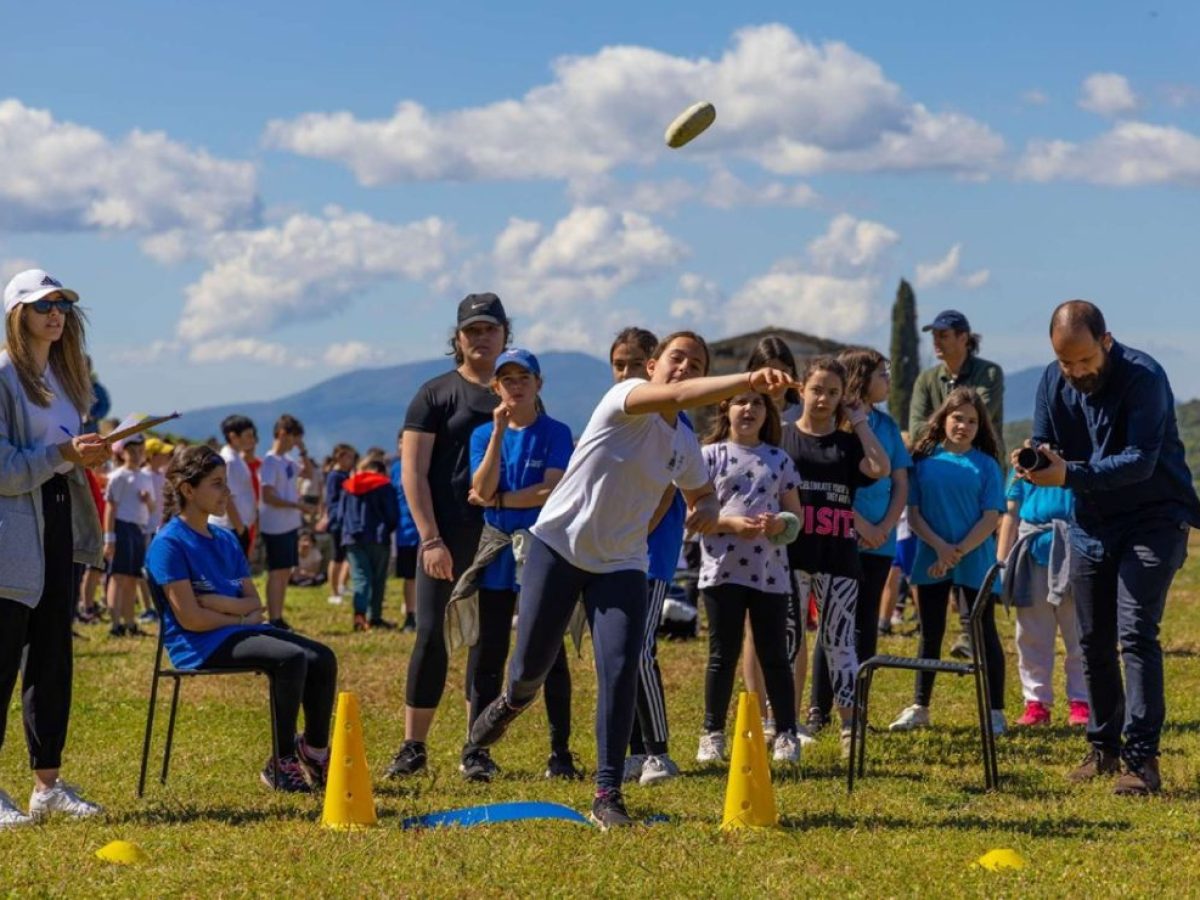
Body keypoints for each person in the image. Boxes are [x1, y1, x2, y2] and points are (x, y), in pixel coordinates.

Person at [468, 331, 794, 829]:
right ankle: (509, 703)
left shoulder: (684, 442)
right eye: (677, 358)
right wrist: (750, 377)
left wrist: (707, 509)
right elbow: (682, 397)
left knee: (620, 669)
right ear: (652, 365)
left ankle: (607, 793)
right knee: (529, 672)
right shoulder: (623, 399)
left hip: (622, 564)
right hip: (557, 548)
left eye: (696, 362)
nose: (686, 367)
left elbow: (700, 492)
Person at [1021, 300, 1200, 795]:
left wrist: (1069, 474)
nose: (1076, 372)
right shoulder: (1052, 381)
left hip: (1154, 518)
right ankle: (1103, 748)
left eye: (1084, 361)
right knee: (1091, 638)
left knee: (1136, 633)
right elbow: (1045, 438)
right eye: (1065, 363)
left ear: (1106, 340)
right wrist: (1037, 460)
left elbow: (1140, 461)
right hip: (1090, 523)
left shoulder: (1144, 376)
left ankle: (1142, 762)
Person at [146, 445, 338, 792]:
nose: (227, 493)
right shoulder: (169, 544)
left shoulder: (224, 538)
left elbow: (255, 601)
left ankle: (313, 751)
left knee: (322, 657)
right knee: (291, 658)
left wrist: (219, 603)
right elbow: (191, 619)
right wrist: (239, 618)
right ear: (189, 490)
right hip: (199, 645)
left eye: (226, 483)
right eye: (217, 484)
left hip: (234, 629)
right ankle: (281, 763)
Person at [0, 268, 109, 827]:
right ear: (18, 313)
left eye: (63, 303)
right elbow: (3, 470)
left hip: (58, 522)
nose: (56, 313)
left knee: (52, 659)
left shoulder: (67, 381)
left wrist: (88, 456)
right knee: (1, 659)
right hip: (10, 531)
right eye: (44, 304)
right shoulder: (1, 375)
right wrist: (61, 458)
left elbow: (61, 458)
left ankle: (48, 784)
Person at [385, 293, 508, 778]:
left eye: (490, 329)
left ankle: (476, 748)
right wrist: (430, 537)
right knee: (432, 635)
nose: (481, 337)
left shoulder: (518, 392)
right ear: (457, 338)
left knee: (490, 642)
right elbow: (412, 473)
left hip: (499, 535)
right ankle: (413, 746)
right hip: (445, 535)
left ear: (504, 334)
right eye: (472, 330)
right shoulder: (435, 393)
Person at [462, 348, 580, 781]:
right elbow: (480, 484)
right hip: (495, 550)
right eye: (507, 379)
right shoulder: (482, 435)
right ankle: (476, 750)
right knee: (488, 652)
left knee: (551, 656)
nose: (516, 385)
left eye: (523, 377)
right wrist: (496, 435)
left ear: (538, 383)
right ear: (496, 387)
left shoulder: (556, 431)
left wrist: (497, 499)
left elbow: (550, 492)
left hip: (541, 548)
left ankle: (560, 752)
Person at [782, 356, 890, 757]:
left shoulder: (847, 444)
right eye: (816, 390)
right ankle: (786, 729)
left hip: (839, 556)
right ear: (801, 390)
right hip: (791, 556)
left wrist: (859, 421)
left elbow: (880, 467)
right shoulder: (784, 438)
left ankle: (850, 728)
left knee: (841, 643)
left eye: (832, 392)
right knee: (789, 642)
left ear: (843, 396)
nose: (823, 399)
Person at [802, 349, 910, 731]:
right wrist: (860, 524)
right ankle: (819, 709)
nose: (888, 381)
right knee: (832, 624)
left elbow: (898, 479)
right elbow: (824, 486)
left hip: (880, 541)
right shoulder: (835, 424)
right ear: (862, 378)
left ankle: (858, 707)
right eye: (883, 374)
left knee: (864, 625)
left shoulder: (886, 424)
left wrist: (886, 526)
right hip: (839, 536)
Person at [889, 387, 1007, 735]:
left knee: (983, 632)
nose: (964, 426)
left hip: (975, 558)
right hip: (931, 556)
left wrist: (956, 552)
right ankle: (920, 706)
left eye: (972, 421)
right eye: (958, 418)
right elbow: (913, 514)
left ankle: (995, 712)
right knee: (931, 632)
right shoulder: (924, 463)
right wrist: (940, 549)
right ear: (943, 419)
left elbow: (990, 517)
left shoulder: (986, 465)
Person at [695, 389, 803, 766]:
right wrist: (730, 524)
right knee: (721, 655)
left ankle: (786, 732)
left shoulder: (779, 460)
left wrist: (778, 523)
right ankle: (712, 733)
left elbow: (796, 520)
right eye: (741, 401)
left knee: (774, 655)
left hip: (769, 574)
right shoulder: (708, 457)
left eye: (758, 403)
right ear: (725, 408)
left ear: (767, 413)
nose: (749, 409)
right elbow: (694, 517)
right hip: (721, 571)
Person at [609, 326, 688, 787]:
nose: (626, 372)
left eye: (636, 364)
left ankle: (658, 751)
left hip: (649, 552)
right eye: (619, 364)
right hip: (614, 552)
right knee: (617, 653)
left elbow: (663, 491)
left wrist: (634, 535)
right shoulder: (616, 414)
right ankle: (632, 750)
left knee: (639, 650)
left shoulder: (669, 416)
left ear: (653, 367)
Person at [909, 309, 1005, 662]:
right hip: (935, 480)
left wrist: (949, 421)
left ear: (965, 337)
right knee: (931, 624)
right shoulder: (925, 379)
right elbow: (916, 427)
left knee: (976, 575)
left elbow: (977, 408)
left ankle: (970, 630)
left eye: (944, 334)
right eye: (934, 334)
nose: (937, 341)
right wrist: (941, 429)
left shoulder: (989, 372)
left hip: (977, 483)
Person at [740, 335, 804, 740]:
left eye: (783, 376)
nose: (775, 386)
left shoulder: (800, 417)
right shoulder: (745, 413)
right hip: (749, 537)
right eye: (769, 377)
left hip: (793, 528)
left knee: (792, 627)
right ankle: (753, 713)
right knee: (752, 628)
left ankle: (789, 717)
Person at [996, 473, 1087, 727]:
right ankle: (1035, 701)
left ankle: (1082, 701)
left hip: (1076, 551)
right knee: (1031, 632)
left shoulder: (1081, 458)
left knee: (1079, 631)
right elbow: (1011, 515)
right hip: (1033, 553)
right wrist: (1002, 563)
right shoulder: (1025, 464)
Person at [258, 414, 315, 630]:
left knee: (285, 571)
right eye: (293, 438)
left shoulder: (288, 461)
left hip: (289, 523)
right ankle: (273, 617)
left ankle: (278, 615)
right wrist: (297, 506)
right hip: (274, 525)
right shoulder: (270, 461)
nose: (294, 443)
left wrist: (303, 449)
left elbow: (308, 473)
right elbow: (268, 495)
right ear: (283, 434)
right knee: (277, 571)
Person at [340, 457, 400, 631]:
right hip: (378, 539)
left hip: (352, 539)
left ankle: (359, 617)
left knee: (360, 578)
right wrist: (388, 529)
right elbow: (392, 515)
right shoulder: (385, 486)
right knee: (378, 579)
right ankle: (375, 617)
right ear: (381, 471)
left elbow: (340, 514)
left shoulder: (348, 486)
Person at [104, 430, 154, 637]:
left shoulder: (144, 476)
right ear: (123, 452)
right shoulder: (118, 476)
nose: (136, 454)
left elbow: (152, 507)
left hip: (138, 528)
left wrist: (147, 500)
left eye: (140, 451)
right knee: (118, 577)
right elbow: (111, 507)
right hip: (122, 527)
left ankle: (130, 622)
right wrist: (110, 537)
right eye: (131, 450)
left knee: (133, 577)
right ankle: (115, 623)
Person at [211, 414, 257, 557]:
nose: (252, 439)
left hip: (236, 527)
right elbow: (226, 496)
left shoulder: (237, 458)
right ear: (233, 436)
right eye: (247, 435)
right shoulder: (228, 460)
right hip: (229, 528)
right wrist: (240, 529)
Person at [390, 430, 419, 632]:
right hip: (404, 530)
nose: (403, 446)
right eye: (401, 442)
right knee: (409, 576)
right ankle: (410, 614)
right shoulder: (395, 469)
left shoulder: (425, 463)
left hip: (425, 529)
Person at [322, 444, 357, 605]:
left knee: (346, 556)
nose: (352, 460)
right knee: (336, 557)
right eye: (349, 457)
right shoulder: (334, 476)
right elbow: (332, 500)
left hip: (347, 521)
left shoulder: (346, 474)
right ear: (341, 457)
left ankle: (343, 585)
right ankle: (334, 591)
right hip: (338, 522)